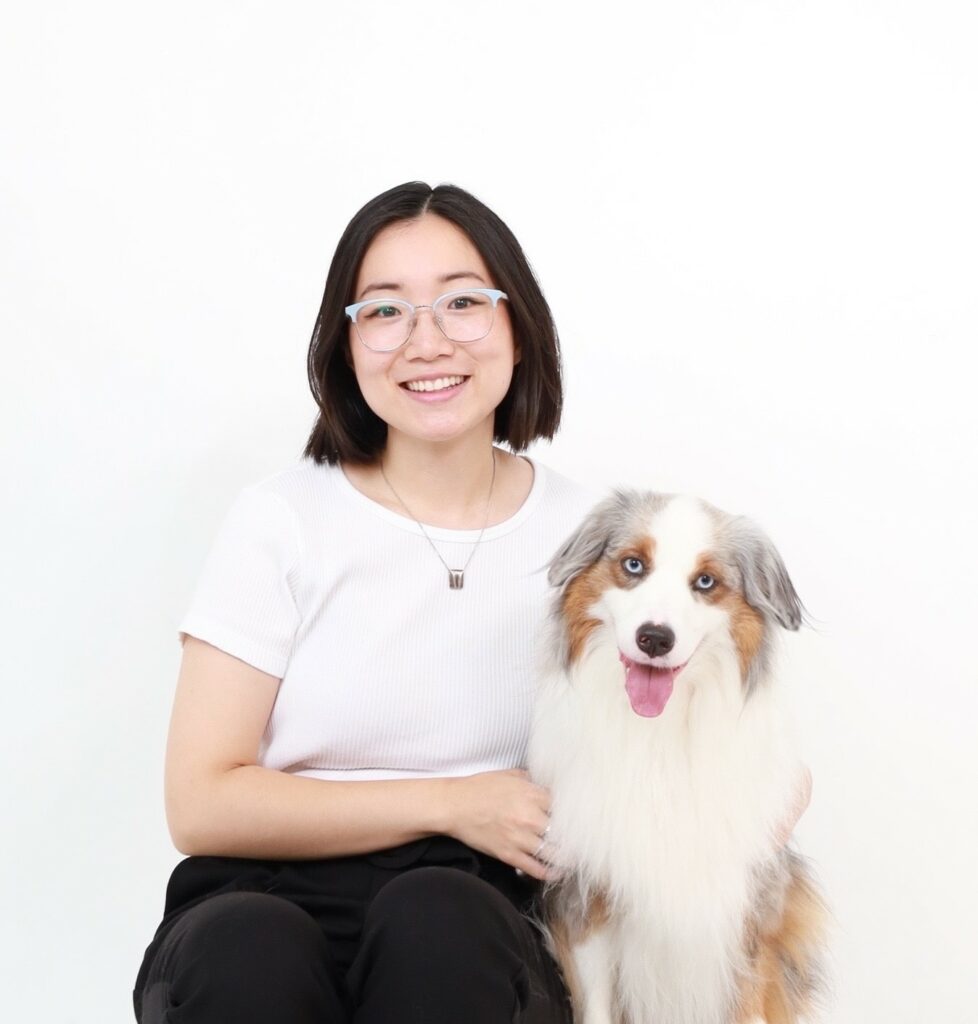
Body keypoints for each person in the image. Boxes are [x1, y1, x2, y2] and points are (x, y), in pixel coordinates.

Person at [133, 181, 604, 1023]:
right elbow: (199, 802)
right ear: (346, 344)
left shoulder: (593, 539)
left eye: (463, 302)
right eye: (386, 312)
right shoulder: (282, 519)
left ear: (517, 326)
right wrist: (452, 803)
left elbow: (682, 737)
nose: (427, 342)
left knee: (439, 926)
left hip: (484, 914)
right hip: (264, 894)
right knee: (249, 952)